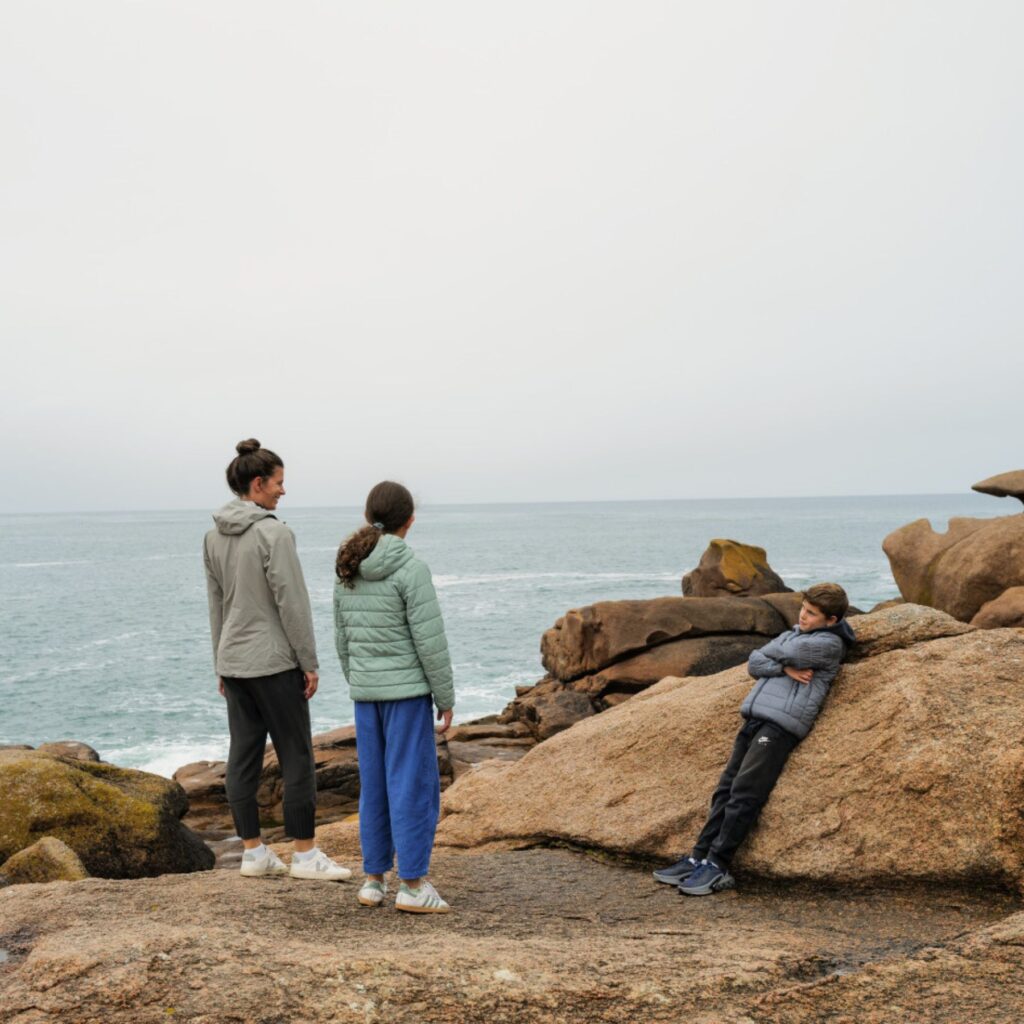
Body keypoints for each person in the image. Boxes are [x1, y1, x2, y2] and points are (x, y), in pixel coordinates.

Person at [203, 438, 351, 882]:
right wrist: (308, 660)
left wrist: (219, 663)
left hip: (234, 664)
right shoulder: (274, 533)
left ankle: (254, 852)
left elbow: (217, 606)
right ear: (257, 483)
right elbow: (292, 603)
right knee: (297, 757)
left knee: (242, 757)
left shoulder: (212, 536)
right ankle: (305, 855)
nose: (283, 491)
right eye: (279, 483)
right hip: (273, 663)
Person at [654, 582, 856, 896]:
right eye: (803, 608)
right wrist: (785, 669)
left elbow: (772, 653)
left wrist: (775, 659)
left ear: (831, 620)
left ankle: (718, 866)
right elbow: (753, 663)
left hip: (779, 727)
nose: (803, 616)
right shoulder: (795, 635)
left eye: (812, 614)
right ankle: (699, 856)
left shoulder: (828, 643)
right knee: (725, 789)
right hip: (755, 718)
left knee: (745, 793)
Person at [334, 481, 456, 914]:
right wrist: (445, 695)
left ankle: (373, 881)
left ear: (370, 517)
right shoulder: (411, 569)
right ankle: (413, 885)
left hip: (366, 697)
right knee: (412, 785)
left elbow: (342, 641)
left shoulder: (348, 566)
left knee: (375, 786)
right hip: (406, 696)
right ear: (410, 520)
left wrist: (362, 681)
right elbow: (430, 641)